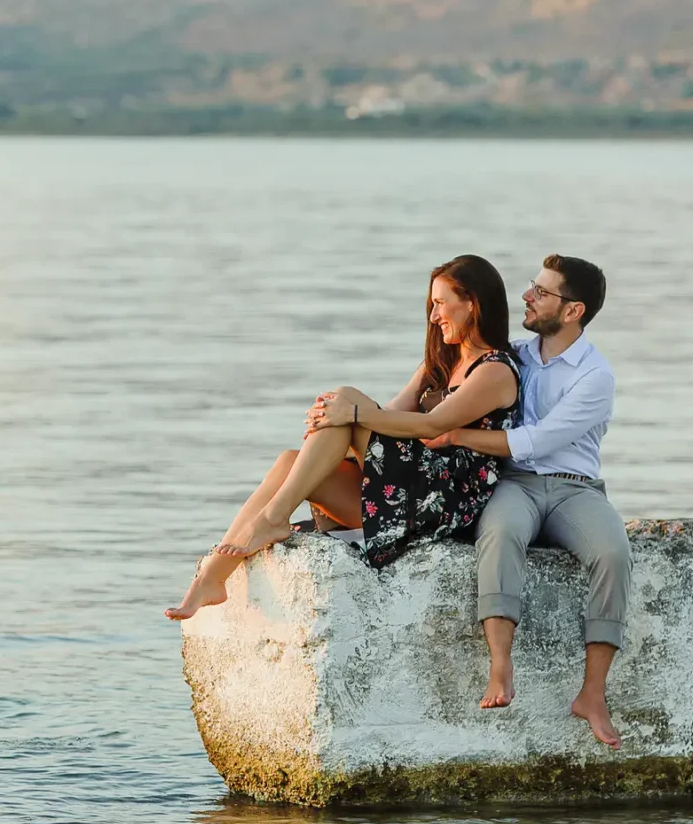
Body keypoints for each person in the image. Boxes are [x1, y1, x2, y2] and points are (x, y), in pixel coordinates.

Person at [165, 255, 521, 621]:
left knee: (347, 399)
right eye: (431, 306)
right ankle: (213, 575)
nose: (433, 316)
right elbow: (393, 413)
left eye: (441, 304)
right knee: (292, 460)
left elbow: (432, 426)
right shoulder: (439, 362)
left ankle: (271, 521)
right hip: (404, 492)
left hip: (443, 501)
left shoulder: (494, 371)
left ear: (472, 304)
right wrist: (336, 419)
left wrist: (349, 413)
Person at [423, 254, 630, 749]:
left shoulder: (595, 377)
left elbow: (537, 440)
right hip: (513, 483)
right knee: (500, 533)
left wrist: (455, 436)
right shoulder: (511, 355)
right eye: (531, 287)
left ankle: (593, 694)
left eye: (541, 292)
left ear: (574, 310)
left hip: (573, 488)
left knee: (614, 552)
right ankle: (500, 666)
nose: (527, 297)